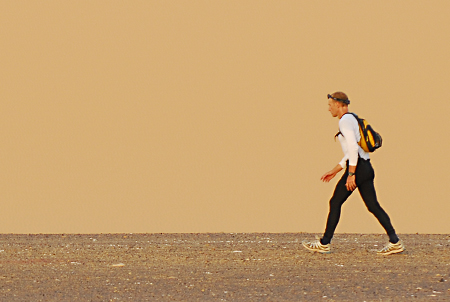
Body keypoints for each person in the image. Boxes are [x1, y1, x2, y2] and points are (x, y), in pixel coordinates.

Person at [302, 92, 404, 255]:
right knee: (373, 206)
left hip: (358, 169)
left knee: (335, 202)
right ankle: (395, 241)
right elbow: (351, 152)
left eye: (330, 105)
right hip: (365, 168)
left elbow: (354, 149)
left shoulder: (345, 121)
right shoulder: (352, 119)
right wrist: (335, 170)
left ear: (338, 104)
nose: (328, 109)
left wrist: (351, 174)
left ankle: (324, 243)